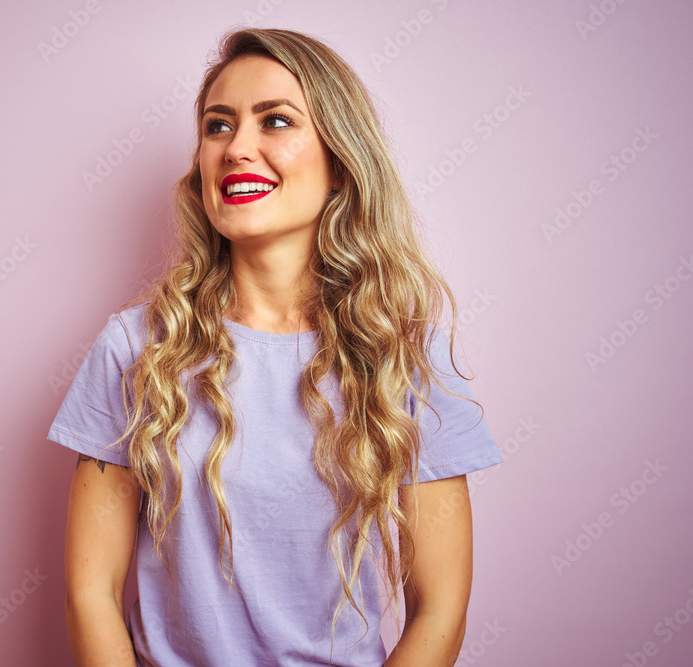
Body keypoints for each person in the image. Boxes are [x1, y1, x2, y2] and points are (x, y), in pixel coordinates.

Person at [50, 27, 504, 667]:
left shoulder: (405, 355)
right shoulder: (134, 347)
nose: (238, 148)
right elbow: (89, 593)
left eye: (276, 121)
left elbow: (440, 608)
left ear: (340, 163)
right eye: (218, 126)